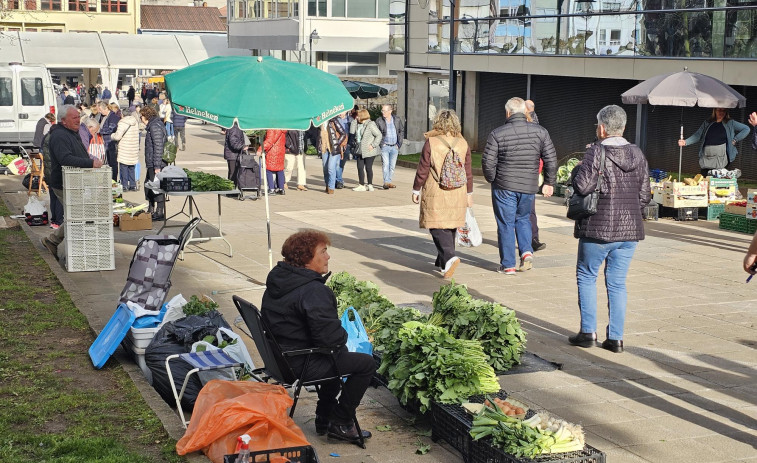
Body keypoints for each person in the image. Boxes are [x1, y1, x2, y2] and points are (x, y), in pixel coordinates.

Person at [261, 230, 375, 443]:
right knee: (365, 363)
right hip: (300, 363)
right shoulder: (312, 291)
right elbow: (330, 340)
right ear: (306, 259)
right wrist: (342, 336)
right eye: (323, 252)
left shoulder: (279, 280)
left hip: (279, 359)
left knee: (338, 354)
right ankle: (341, 421)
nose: (328, 256)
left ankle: (324, 418)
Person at [568, 105, 650, 354]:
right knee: (617, 283)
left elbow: (582, 187)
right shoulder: (638, 154)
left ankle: (587, 332)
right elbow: (645, 195)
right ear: (623, 127)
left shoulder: (596, 152)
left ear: (602, 128)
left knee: (587, 276)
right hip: (629, 231)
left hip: (598, 229)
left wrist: (577, 168)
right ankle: (615, 339)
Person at [482, 97, 556, 275]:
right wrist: (549, 182)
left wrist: (492, 178)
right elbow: (550, 158)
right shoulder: (541, 132)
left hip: (504, 185)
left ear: (508, 112)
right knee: (523, 219)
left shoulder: (497, 133)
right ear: (525, 112)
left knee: (506, 224)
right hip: (528, 185)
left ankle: (508, 264)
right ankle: (526, 252)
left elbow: (487, 161)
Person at [412, 110, 473, 278]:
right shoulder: (463, 143)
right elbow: (468, 171)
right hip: (458, 190)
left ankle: (449, 258)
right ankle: (442, 261)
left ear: (437, 122)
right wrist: (469, 193)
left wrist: (416, 189)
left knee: (436, 225)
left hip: (436, 189)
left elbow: (423, 169)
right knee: (450, 223)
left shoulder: (431, 142)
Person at [41, 105, 103, 261]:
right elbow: (65, 159)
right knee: (77, 216)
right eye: (74, 117)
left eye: (78, 116)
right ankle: (54, 241)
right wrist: (90, 163)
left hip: (74, 181)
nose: (78, 120)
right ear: (63, 121)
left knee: (77, 215)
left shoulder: (71, 132)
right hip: (63, 183)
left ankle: (53, 241)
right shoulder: (60, 136)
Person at [678, 108, 750, 176]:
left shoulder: (730, 123)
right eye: (719, 110)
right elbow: (697, 135)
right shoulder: (707, 123)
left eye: (723, 110)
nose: (721, 112)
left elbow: (746, 129)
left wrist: (735, 140)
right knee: (704, 177)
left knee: (718, 178)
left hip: (721, 159)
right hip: (707, 157)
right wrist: (685, 142)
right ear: (715, 110)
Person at [525, 99, 546, 252]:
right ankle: (532, 240)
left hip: (523, 177)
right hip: (530, 177)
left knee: (522, 212)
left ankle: (530, 241)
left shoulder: (534, 129)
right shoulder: (540, 130)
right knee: (529, 211)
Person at [141, 105, 167, 221]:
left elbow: (158, 146)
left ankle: (159, 212)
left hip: (156, 163)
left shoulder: (154, 126)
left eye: (141, 116)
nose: (141, 118)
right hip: (152, 162)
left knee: (157, 187)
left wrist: (157, 165)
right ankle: (151, 209)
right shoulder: (153, 124)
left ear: (146, 116)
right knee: (148, 185)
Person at [349, 109, 382, 192]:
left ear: (362, 116)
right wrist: (354, 122)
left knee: (368, 167)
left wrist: (373, 145)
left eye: (358, 116)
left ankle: (370, 184)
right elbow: (352, 133)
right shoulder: (356, 123)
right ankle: (361, 185)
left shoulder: (371, 124)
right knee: (360, 167)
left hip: (369, 149)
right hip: (359, 148)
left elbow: (379, 135)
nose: (356, 117)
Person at [375, 104, 404, 189]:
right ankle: (386, 182)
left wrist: (399, 144)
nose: (382, 112)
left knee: (392, 166)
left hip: (394, 146)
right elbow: (377, 133)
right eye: (382, 110)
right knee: (386, 164)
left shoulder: (397, 119)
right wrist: (381, 144)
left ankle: (389, 181)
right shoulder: (379, 120)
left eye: (384, 110)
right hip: (385, 146)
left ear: (390, 111)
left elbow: (401, 131)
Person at [111, 108, 139, 191]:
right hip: (133, 147)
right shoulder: (135, 122)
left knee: (123, 167)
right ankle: (133, 185)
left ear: (122, 115)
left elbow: (117, 136)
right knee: (131, 167)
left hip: (125, 147)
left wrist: (112, 135)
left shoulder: (122, 123)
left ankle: (125, 185)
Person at [322, 117, 346, 194]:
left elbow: (343, 133)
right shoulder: (318, 123)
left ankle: (331, 187)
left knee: (330, 168)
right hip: (324, 149)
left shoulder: (333, 121)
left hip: (334, 149)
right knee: (325, 168)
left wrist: (337, 143)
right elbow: (313, 135)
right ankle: (327, 184)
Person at [97, 101, 120, 182]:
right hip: (104, 143)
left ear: (106, 108)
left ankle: (113, 180)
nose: (99, 111)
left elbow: (111, 129)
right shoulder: (102, 116)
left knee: (113, 163)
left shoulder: (113, 117)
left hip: (111, 143)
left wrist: (99, 130)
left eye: (100, 109)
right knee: (107, 163)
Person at [261, 129, 287, 195]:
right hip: (281, 151)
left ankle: (271, 189)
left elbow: (269, 141)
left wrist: (260, 150)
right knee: (280, 170)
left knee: (268, 170)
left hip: (272, 152)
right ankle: (281, 189)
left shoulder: (271, 129)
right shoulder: (283, 129)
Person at [334, 112, 352, 189]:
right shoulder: (335, 119)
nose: (340, 113)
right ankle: (339, 181)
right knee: (337, 164)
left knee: (341, 164)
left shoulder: (350, 120)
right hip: (337, 144)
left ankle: (338, 180)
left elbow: (352, 133)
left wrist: (349, 144)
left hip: (346, 145)